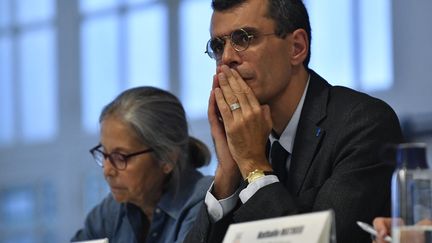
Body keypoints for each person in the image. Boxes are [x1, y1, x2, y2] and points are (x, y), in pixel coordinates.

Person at [184, 0, 404, 243]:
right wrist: (228, 172)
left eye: (244, 38)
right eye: (218, 45)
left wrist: (253, 166)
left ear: (296, 47)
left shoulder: (364, 124)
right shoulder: (245, 141)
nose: (226, 58)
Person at [71, 86, 213, 243]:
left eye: (120, 157)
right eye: (104, 153)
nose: (107, 170)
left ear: (167, 158)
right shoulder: (112, 210)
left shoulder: (205, 203)